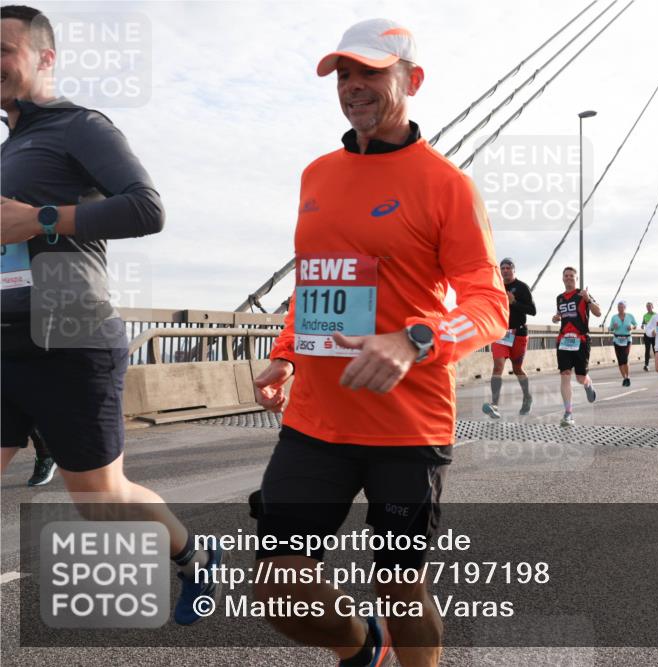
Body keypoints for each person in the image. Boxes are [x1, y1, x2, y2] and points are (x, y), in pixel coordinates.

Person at [250, 19, 507, 666]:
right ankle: (361, 646)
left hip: (407, 423)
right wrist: (285, 351)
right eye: (343, 75)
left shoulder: (447, 185)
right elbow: (318, 283)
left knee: (399, 582)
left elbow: (488, 302)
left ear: (411, 79)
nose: (353, 87)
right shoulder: (316, 174)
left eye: (370, 72)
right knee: (278, 586)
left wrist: (414, 337)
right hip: (317, 418)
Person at [0, 4, 220, 626]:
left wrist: (42, 218)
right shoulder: (11, 147)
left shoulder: (79, 126)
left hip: (71, 343)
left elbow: (146, 209)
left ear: (45, 58)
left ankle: (192, 555)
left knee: (101, 501)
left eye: (2, 49)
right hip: (6, 341)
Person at [482, 257, 536, 419]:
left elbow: (532, 311)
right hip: (500, 333)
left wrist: (514, 303)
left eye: (508, 267)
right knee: (498, 366)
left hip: (518, 333)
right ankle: (494, 404)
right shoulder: (496, 287)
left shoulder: (522, 287)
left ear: (514, 270)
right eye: (503, 268)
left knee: (517, 369)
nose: (505, 270)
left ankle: (527, 397)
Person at [551, 266, 599, 425]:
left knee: (580, 378)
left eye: (572, 275)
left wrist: (588, 299)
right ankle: (568, 413)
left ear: (576, 279)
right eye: (566, 275)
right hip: (564, 340)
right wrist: (556, 317)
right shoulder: (559, 298)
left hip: (581, 341)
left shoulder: (582, 295)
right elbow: (562, 316)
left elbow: (598, 312)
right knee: (565, 375)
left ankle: (588, 384)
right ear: (563, 278)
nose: (569, 277)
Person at [607, 300, 637, 386]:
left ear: (625, 308)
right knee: (620, 360)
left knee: (625, 358)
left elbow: (635, 325)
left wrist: (631, 326)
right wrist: (613, 327)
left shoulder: (630, 316)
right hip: (617, 340)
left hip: (627, 339)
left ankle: (628, 376)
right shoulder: (614, 317)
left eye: (622, 307)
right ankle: (624, 378)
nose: (620, 309)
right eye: (618, 307)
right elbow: (610, 328)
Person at [641, 301, 655, 371]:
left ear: (652, 307)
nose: (648, 308)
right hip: (647, 334)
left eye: (650, 306)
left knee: (656, 349)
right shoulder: (645, 315)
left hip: (654, 334)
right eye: (647, 307)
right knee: (647, 350)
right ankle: (646, 365)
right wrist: (642, 325)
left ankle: (657, 363)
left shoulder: (656, 315)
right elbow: (643, 323)